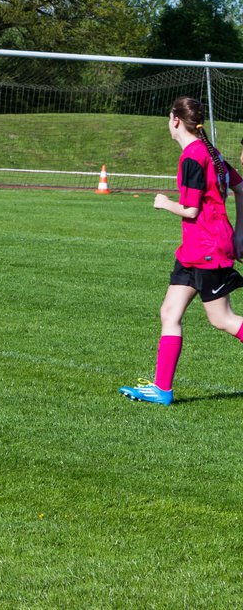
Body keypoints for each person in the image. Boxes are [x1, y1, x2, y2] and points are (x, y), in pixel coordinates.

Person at [120, 97, 243, 406]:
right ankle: (162, 390)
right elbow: (242, 188)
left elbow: (190, 210)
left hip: (207, 249)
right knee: (169, 312)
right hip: (194, 249)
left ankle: (161, 389)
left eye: (168, 117)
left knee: (223, 319)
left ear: (175, 120)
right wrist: (239, 233)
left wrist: (164, 203)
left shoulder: (193, 157)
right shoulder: (211, 153)